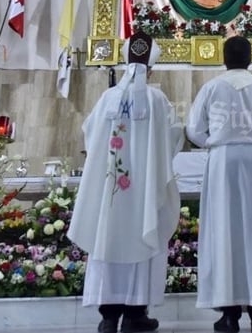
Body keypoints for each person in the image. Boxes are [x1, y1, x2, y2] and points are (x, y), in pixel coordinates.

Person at [68, 31, 183, 333]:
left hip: (112, 191)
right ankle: (135, 313)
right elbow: (171, 138)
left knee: (108, 239)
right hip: (143, 192)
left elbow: (91, 134)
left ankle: (109, 317)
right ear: (151, 68)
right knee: (142, 238)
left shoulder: (108, 98)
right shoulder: (157, 100)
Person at [186, 36, 252, 333]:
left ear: (224, 58)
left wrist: (214, 143)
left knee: (224, 234)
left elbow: (193, 129)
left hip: (223, 163)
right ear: (250, 58)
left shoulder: (212, 87)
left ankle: (229, 314)